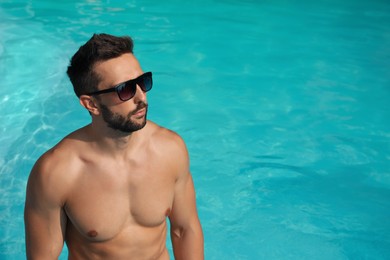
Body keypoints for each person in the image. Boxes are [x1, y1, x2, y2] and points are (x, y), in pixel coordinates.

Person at [24, 33, 204, 260]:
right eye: (125, 89)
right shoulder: (56, 173)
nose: (141, 97)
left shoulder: (170, 150)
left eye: (143, 82)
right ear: (91, 104)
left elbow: (184, 230)